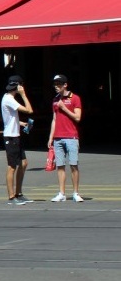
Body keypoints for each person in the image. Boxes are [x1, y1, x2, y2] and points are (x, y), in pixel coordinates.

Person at [48, 74, 84, 203]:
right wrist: (51, 137)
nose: (56, 86)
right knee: (60, 166)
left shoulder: (75, 98)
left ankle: (75, 193)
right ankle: (61, 193)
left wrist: (64, 108)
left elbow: (78, 117)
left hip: (71, 136)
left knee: (73, 165)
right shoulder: (55, 99)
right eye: (55, 84)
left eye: (59, 84)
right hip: (58, 137)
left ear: (65, 85)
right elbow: (54, 119)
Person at [1, 75, 34, 205]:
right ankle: (11, 197)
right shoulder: (9, 99)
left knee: (24, 163)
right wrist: (24, 95)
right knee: (12, 166)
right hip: (11, 137)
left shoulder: (9, 98)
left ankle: (18, 193)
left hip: (15, 134)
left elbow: (9, 118)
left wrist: (21, 123)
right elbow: (29, 110)